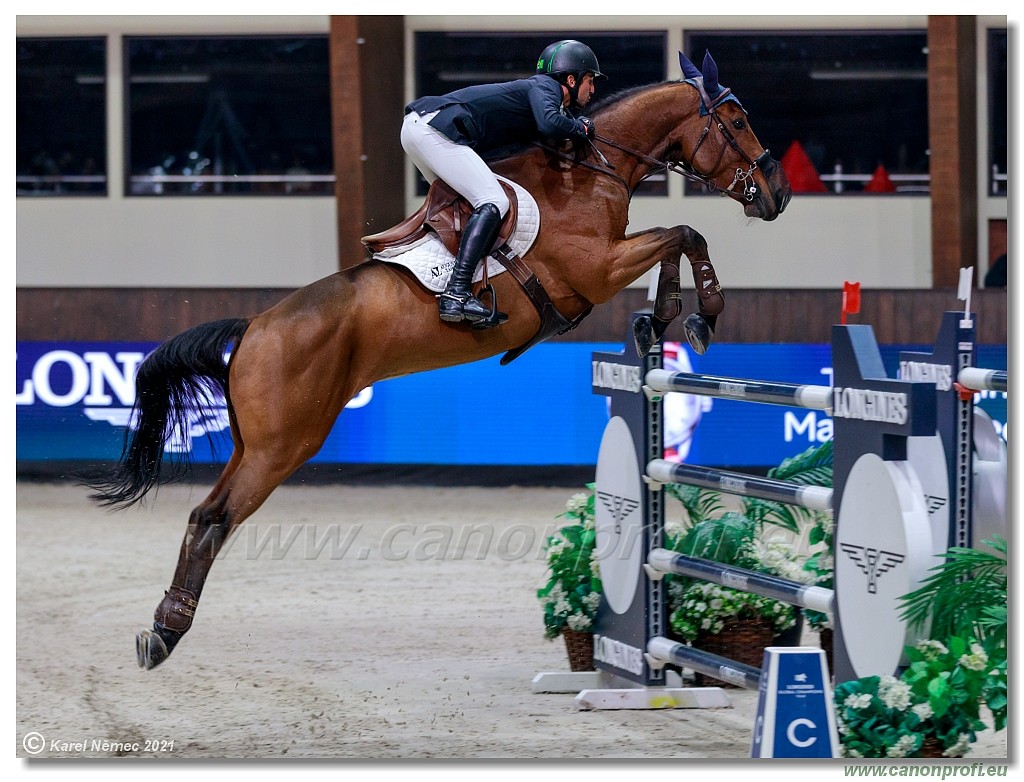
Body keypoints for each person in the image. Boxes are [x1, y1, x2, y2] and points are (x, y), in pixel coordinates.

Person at [402, 39, 606, 326]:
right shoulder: (545, 88)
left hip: (421, 130)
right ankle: (456, 292)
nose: (593, 90)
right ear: (570, 79)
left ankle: (453, 284)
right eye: (589, 81)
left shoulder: (536, 96)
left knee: (467, 207)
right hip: (434, 129)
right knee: (493, 201)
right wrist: (582, 127)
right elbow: (550, 123)